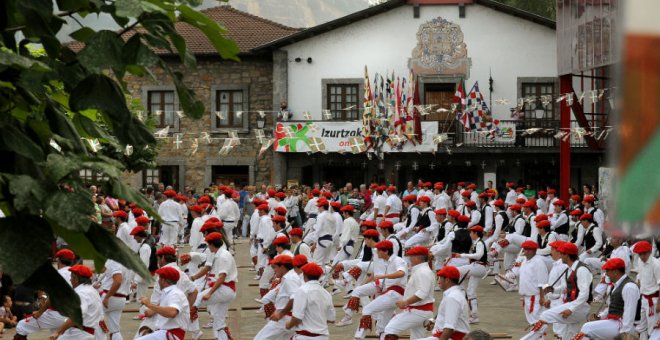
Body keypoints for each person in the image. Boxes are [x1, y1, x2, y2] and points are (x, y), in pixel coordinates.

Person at [523, 243, 593, 340]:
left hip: (580, 307)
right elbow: (566, 286)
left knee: (545, 315)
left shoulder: (581, 270)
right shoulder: (570, 268)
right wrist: (553, 289)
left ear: (567, 256)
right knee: (570, 336)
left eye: (562, 254)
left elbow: (584, 294)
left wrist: (571, 309)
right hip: (575, 305)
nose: (560, 256)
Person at [575, 258, 640, 340]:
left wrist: (625, 334)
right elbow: (612, 306)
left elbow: (629, 313)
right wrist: (600, 317)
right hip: (617, 322)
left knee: (587, 328)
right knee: (592, 332)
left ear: (615, 272)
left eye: (607, 271)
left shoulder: (629, 287)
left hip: (623, 325)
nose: (606, 274)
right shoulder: (617, 285)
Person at [383, 246, 436, 339]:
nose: (409, 259)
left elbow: (422, 293)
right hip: (421, 311)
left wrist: (405, 302)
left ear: (417, 258)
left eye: (411, 256)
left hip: (419, 312)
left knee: (390, 329)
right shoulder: (421, 270)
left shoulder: (423, 271)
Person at [193, 232, 237, 339]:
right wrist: (194, 278)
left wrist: (209, 293)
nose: (207, 246)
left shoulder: (223, 256)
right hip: (227, 289)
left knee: (194, 301)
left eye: (208, 244)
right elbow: (208, 268)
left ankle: (195, 332)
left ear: (212, 244)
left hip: (225, 289)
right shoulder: (217, 253)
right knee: (218, 319)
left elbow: (222, 277)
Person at [255, 255, 303, 339]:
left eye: (275, 267)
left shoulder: (290, 278)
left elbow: (295, 298)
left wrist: (281, 314)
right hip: (287, 318)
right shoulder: (288, 277)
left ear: (282, 267)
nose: (274, 270)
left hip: (283, 319)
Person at [49, 265, 103, 340]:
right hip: (85, 333)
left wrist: (58, 332)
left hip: (77, 334)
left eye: (71, 277)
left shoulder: (81, 293)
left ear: (76, 279)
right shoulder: (92, 290)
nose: (70, 280)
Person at [136, 267, 190, 340]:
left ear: (163, 280)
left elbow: (172, 313)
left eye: (159, 278)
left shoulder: (175, 294)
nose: (158, 281)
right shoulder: (169, 293)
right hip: (167, 333)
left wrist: (149, 305)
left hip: (171, 334)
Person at [285, 262, 336, 339]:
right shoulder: (326, 294)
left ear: (304, 275)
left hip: (305, 337)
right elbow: (331, 319)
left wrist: (288, 325)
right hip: (323, 337)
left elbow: (297, 318)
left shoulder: (302, 290)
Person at [419, 266, 470, 340]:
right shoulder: (454, 295)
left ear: (447, 280)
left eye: (440, 278)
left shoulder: (452, 297)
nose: (438, 281)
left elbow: (449, 328)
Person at [517, 240, 549, 327]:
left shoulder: (539, 262)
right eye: (525, 249)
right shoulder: (524, 261)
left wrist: (542, 297)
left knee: (537, 322)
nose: (526, 252)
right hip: (526, 296)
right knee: (532, 322)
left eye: (529, 250)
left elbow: (543, 282)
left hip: (535, 297)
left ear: (535, 250)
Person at [632, 241, 660, 339]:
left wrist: (659, 304)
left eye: (644, 253)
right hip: (644, 298)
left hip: (654, 300)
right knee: (641, 327)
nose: (642, 256)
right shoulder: (640, 261)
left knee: (653, 328)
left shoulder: (656, 264)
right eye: (640, 254)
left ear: (650, 251)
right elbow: (640, 276)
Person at [100, 259, 130, 340]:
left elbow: (118, 281)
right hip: (121, 298)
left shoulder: (114, 261)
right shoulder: (125, 261)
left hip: (110, 296)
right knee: (115, 330)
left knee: (94, 321)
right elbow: (103, 270)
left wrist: (107, 297)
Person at [130, 226, 153, 301]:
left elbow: (143, 265)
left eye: (135, 236)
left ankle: (143, 312)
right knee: (140, 299)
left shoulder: (144, 247)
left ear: (139, 236)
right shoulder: (145, 243)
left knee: (141, 300)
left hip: (143, 275)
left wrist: (136, 281)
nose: (134, 238)